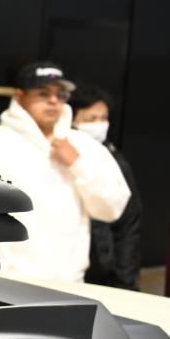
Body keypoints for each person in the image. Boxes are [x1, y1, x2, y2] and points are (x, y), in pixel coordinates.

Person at [0, 62, 131, 282]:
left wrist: (77, 163)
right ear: (19, 97)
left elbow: (112, 207)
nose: (53, 101)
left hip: (69, 282)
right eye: (43, 93)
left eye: (60, 94)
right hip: (5, 280)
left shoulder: (84, 146)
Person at [68, 83, 143, 290]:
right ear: (72, 118)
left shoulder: (114, 159)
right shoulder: (57, 152)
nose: (99, 125)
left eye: (104, 118)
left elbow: (129, 221)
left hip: (104, 269)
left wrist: (124, 278)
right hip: (69, 267)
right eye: (91, 119)